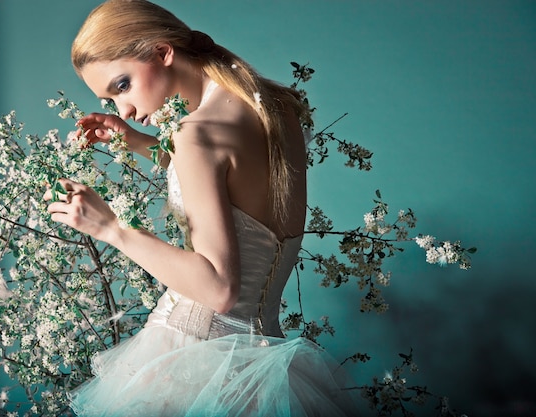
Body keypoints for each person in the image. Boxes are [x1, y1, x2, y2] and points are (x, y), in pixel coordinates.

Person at [45, 0, 358, 415]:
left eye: (122, 86)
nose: (126, 111)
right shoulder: (274, 105)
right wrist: (136, 142)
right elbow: (233, 185)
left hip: (190, 360)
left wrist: (111, 229)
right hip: (260, 358)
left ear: (162, 52)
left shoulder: (194, 136)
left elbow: (219, 290)